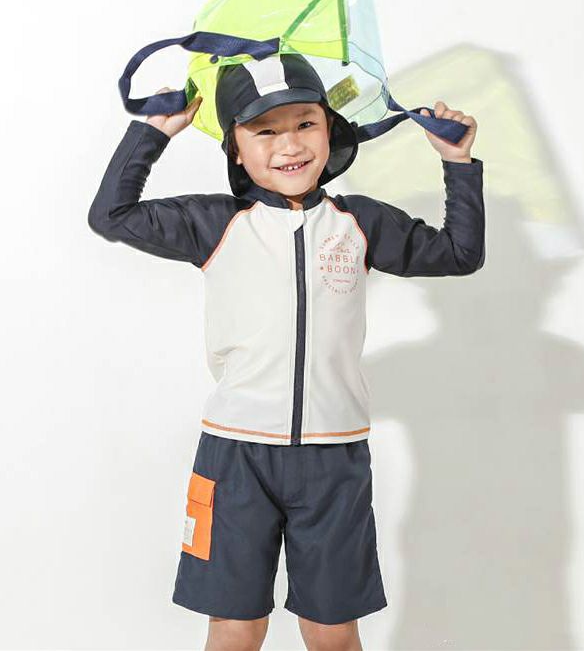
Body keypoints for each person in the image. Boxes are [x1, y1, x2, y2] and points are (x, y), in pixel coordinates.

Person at [88, 52, 484, 651]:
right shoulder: (215, 223)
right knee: (235, 628)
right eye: (264, 131)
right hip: (235, 456)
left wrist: (457, 163)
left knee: (332, 631)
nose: (290, 145)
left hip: (334, 461)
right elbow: (111, 216)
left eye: (305, 123)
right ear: (235, 149)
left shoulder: (360, 223)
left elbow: (459, 253)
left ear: (330, 130)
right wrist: (152, 133)